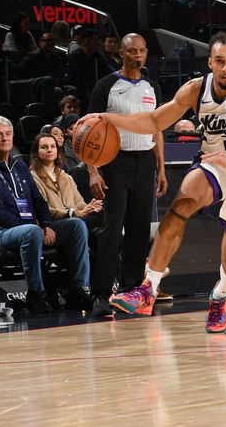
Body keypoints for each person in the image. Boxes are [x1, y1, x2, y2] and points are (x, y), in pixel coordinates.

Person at [79, 31, 226, 333]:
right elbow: (155, 121)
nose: (225, 68)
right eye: (219, 61)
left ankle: (221, 294)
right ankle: (148, 288)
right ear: (209, 62)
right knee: (180, 205)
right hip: (213, 164)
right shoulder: (196, 89)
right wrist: (107, 117)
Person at [82, 34, 167, 317]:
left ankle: (131, 291)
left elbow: (158, 127)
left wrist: (161, 167)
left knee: (140, 229)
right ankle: (101, 293)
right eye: (132, 51)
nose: (138, 55)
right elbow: (86, 131)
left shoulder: (152, 86)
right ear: (121, 53)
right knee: (113, 226)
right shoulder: (106, 85)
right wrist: (93, 171)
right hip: (115, 162)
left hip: (145, 161)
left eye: (142, 51)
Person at [0, 116, 92, 313]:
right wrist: (35, 226)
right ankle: (36, 293)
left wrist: (46, 224)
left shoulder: (19, 166)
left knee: (76, 225)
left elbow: (39, 201)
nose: (5, 138)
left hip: (31, 227)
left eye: (8, 134)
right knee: (31, 232)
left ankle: (78, 289)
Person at [29, 133, 103, 235]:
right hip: (53, 224)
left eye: (53, 146)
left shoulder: (67, 177)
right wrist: (73, 213)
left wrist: (91, 207)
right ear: (35, 153)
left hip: (75, 219)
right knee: (78, 223)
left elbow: (80, 204)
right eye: (44, 147)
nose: (49, 150)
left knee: (106, 214)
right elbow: (44, 211)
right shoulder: (32, 178)